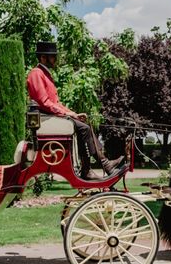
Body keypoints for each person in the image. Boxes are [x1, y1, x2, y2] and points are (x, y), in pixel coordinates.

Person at [27, 41, 123, 180]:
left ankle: (93, 168)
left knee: (84, 126)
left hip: (51, 116)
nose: (55, 59)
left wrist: (73, 113)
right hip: (45, 118)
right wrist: (67, 114)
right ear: (42, 57)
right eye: (52, 56)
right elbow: (45, 102)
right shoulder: (36, 73)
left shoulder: (45, 74)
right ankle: (101, 165)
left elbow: (56, 103)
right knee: (83, 128)